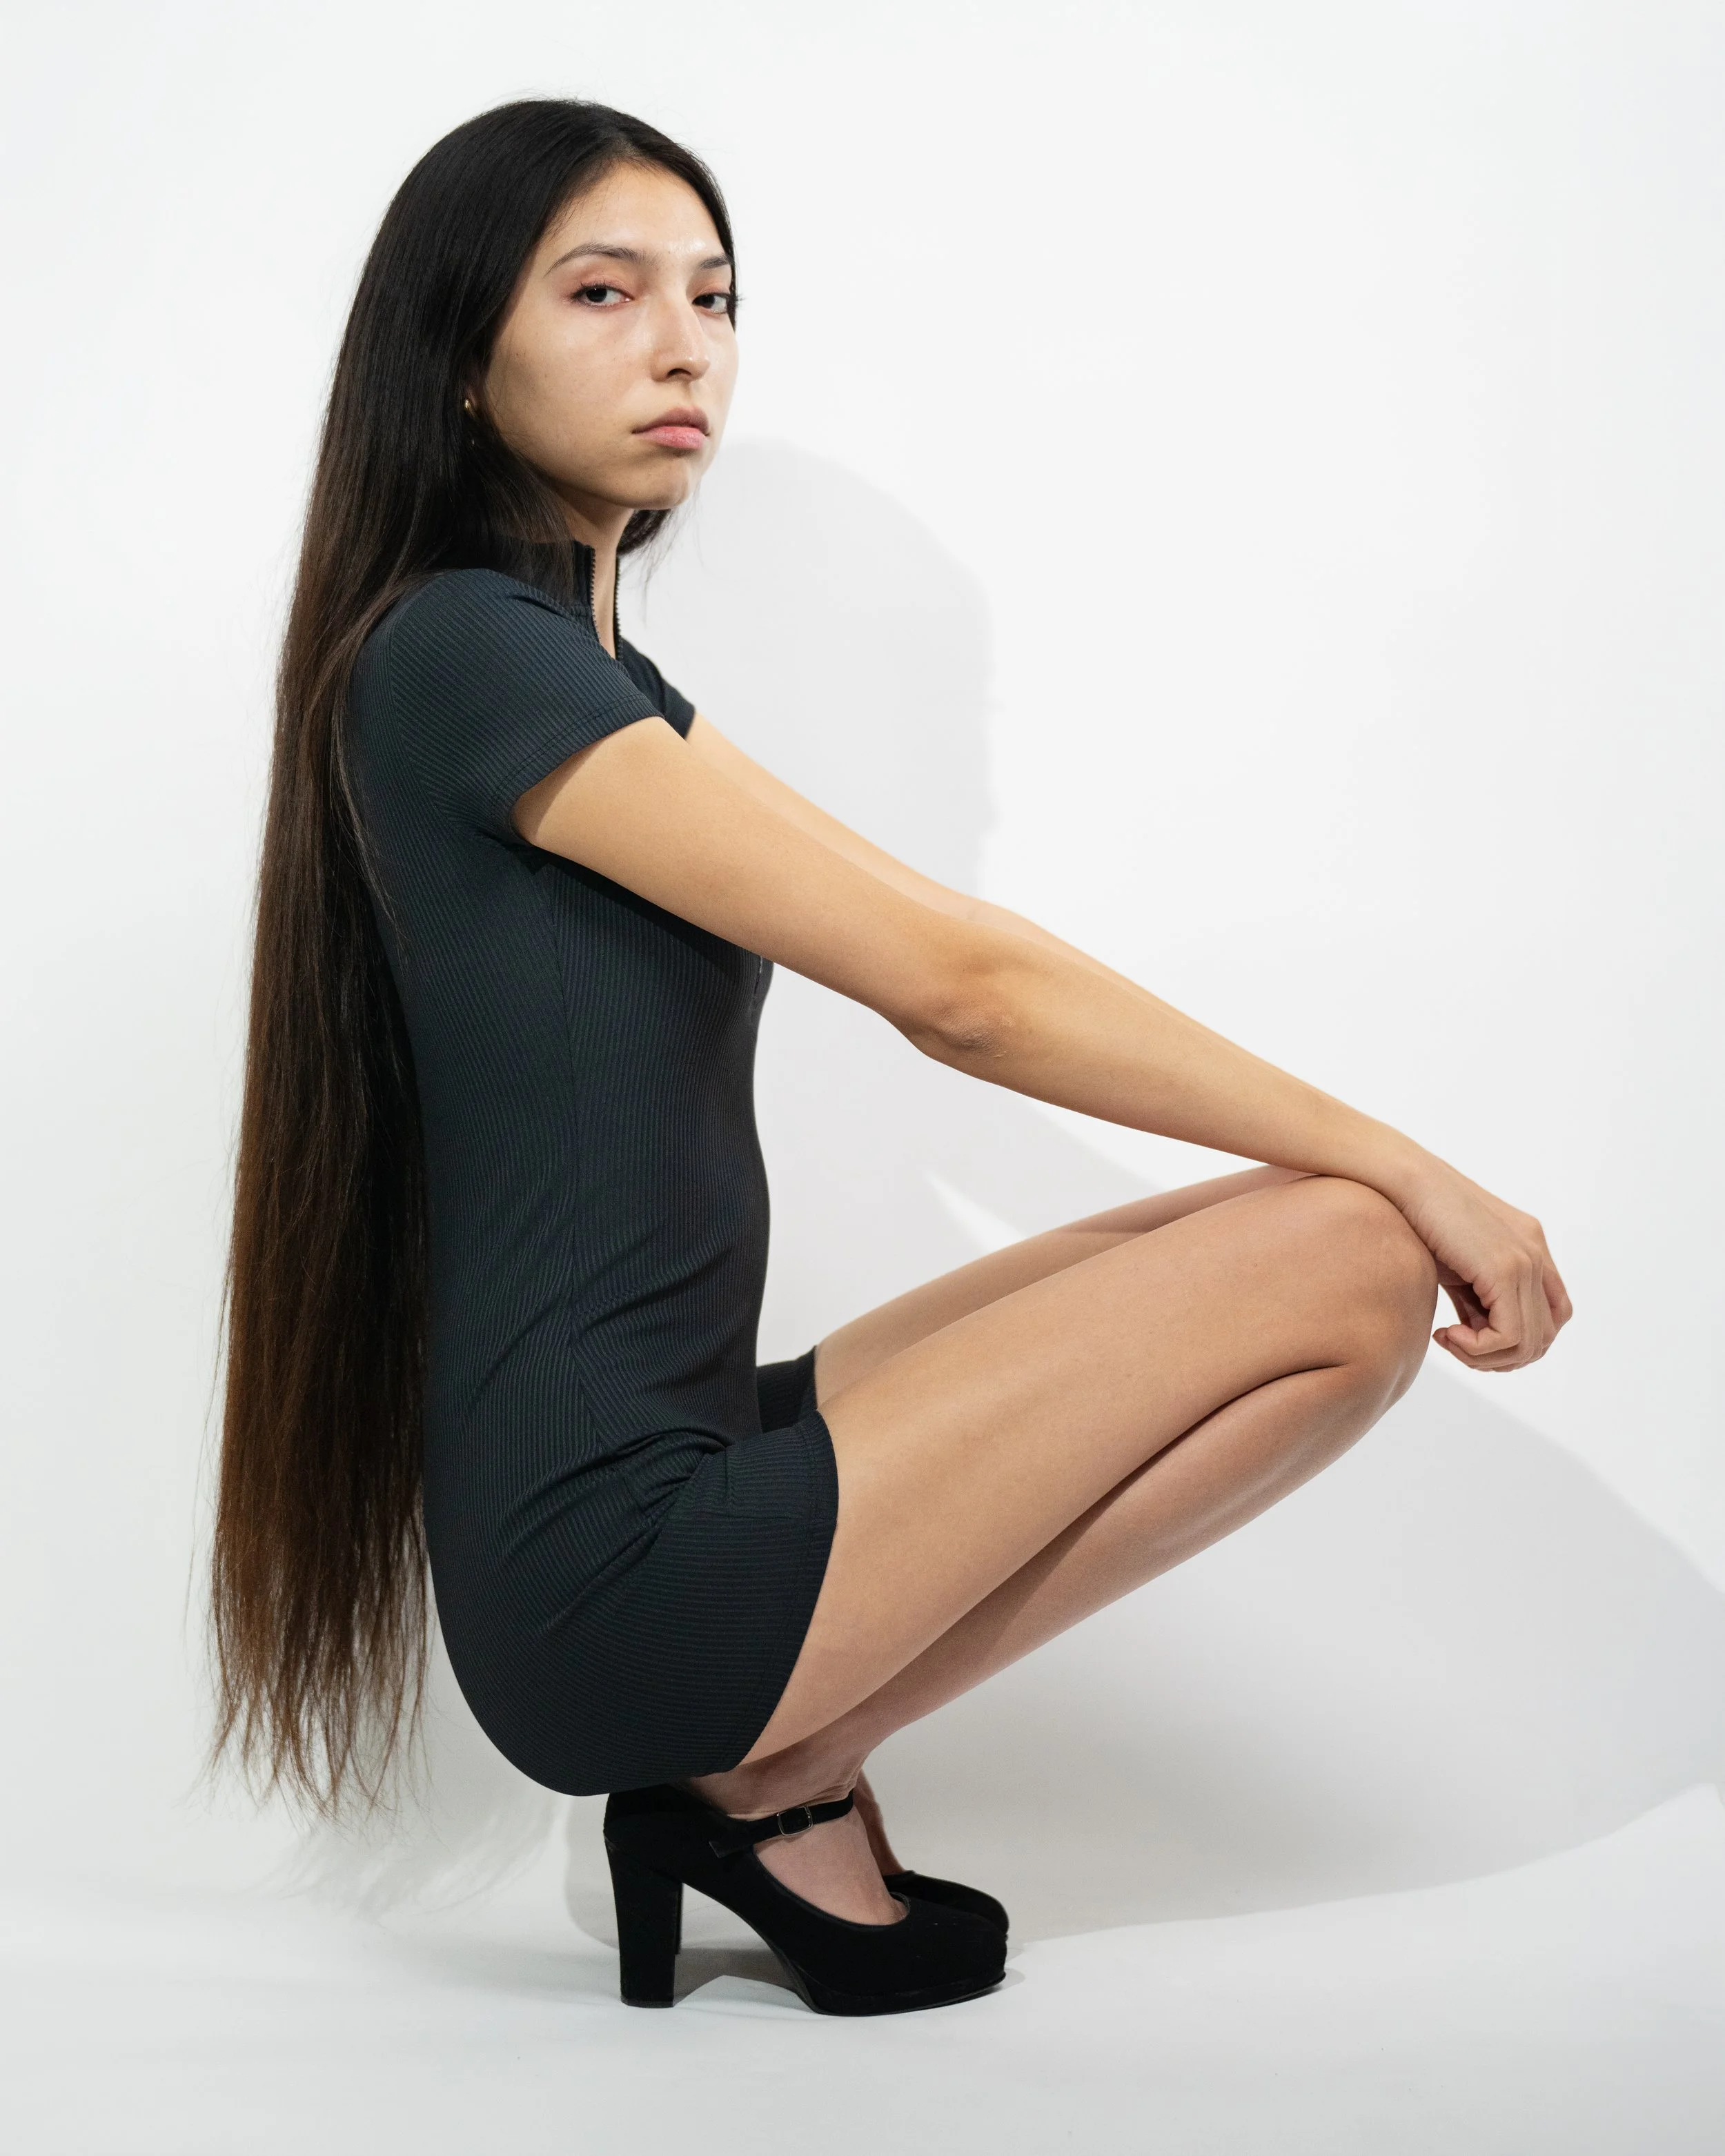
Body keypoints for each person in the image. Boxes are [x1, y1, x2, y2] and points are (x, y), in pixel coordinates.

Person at [212, 99, 1570, 2019]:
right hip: (610, 1562)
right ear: (455, 356)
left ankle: (756, 1776)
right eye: (603, 292)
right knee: (1356, 1247)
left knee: (1304, 1240)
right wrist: (1418, 1160)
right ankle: (759, 1775)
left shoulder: (586, 677)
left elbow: (932, 930)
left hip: (645, 1470)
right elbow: (960, 984)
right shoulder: (462, 657)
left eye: (715, 294)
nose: (684, 344)